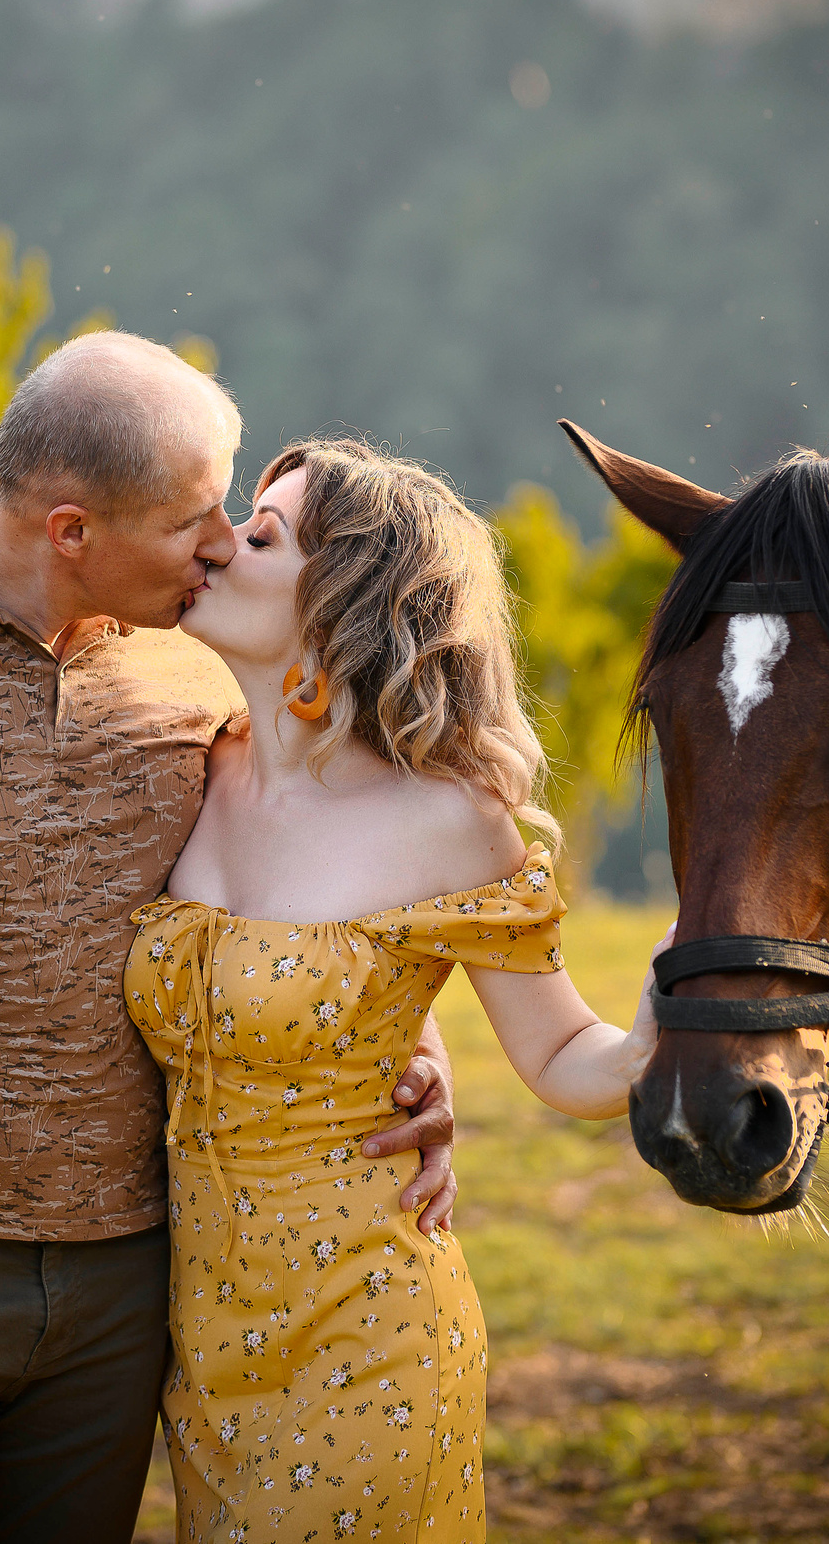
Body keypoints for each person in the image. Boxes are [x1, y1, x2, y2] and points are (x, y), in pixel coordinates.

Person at [0, 335, 463, 1542]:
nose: (220, 544)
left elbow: (311, 838)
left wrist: (412, 1028)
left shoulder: (206, 649)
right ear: (71, 530)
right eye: (192, 520)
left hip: (134, 1278)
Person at [127, 439, 655, 1543]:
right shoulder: (183, 763)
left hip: (368, 1338)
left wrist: (675, 994)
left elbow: (565, 1060)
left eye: (261, 535)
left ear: (344, 599)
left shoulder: (449, 818)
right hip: (202, 1339)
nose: (218, 545)